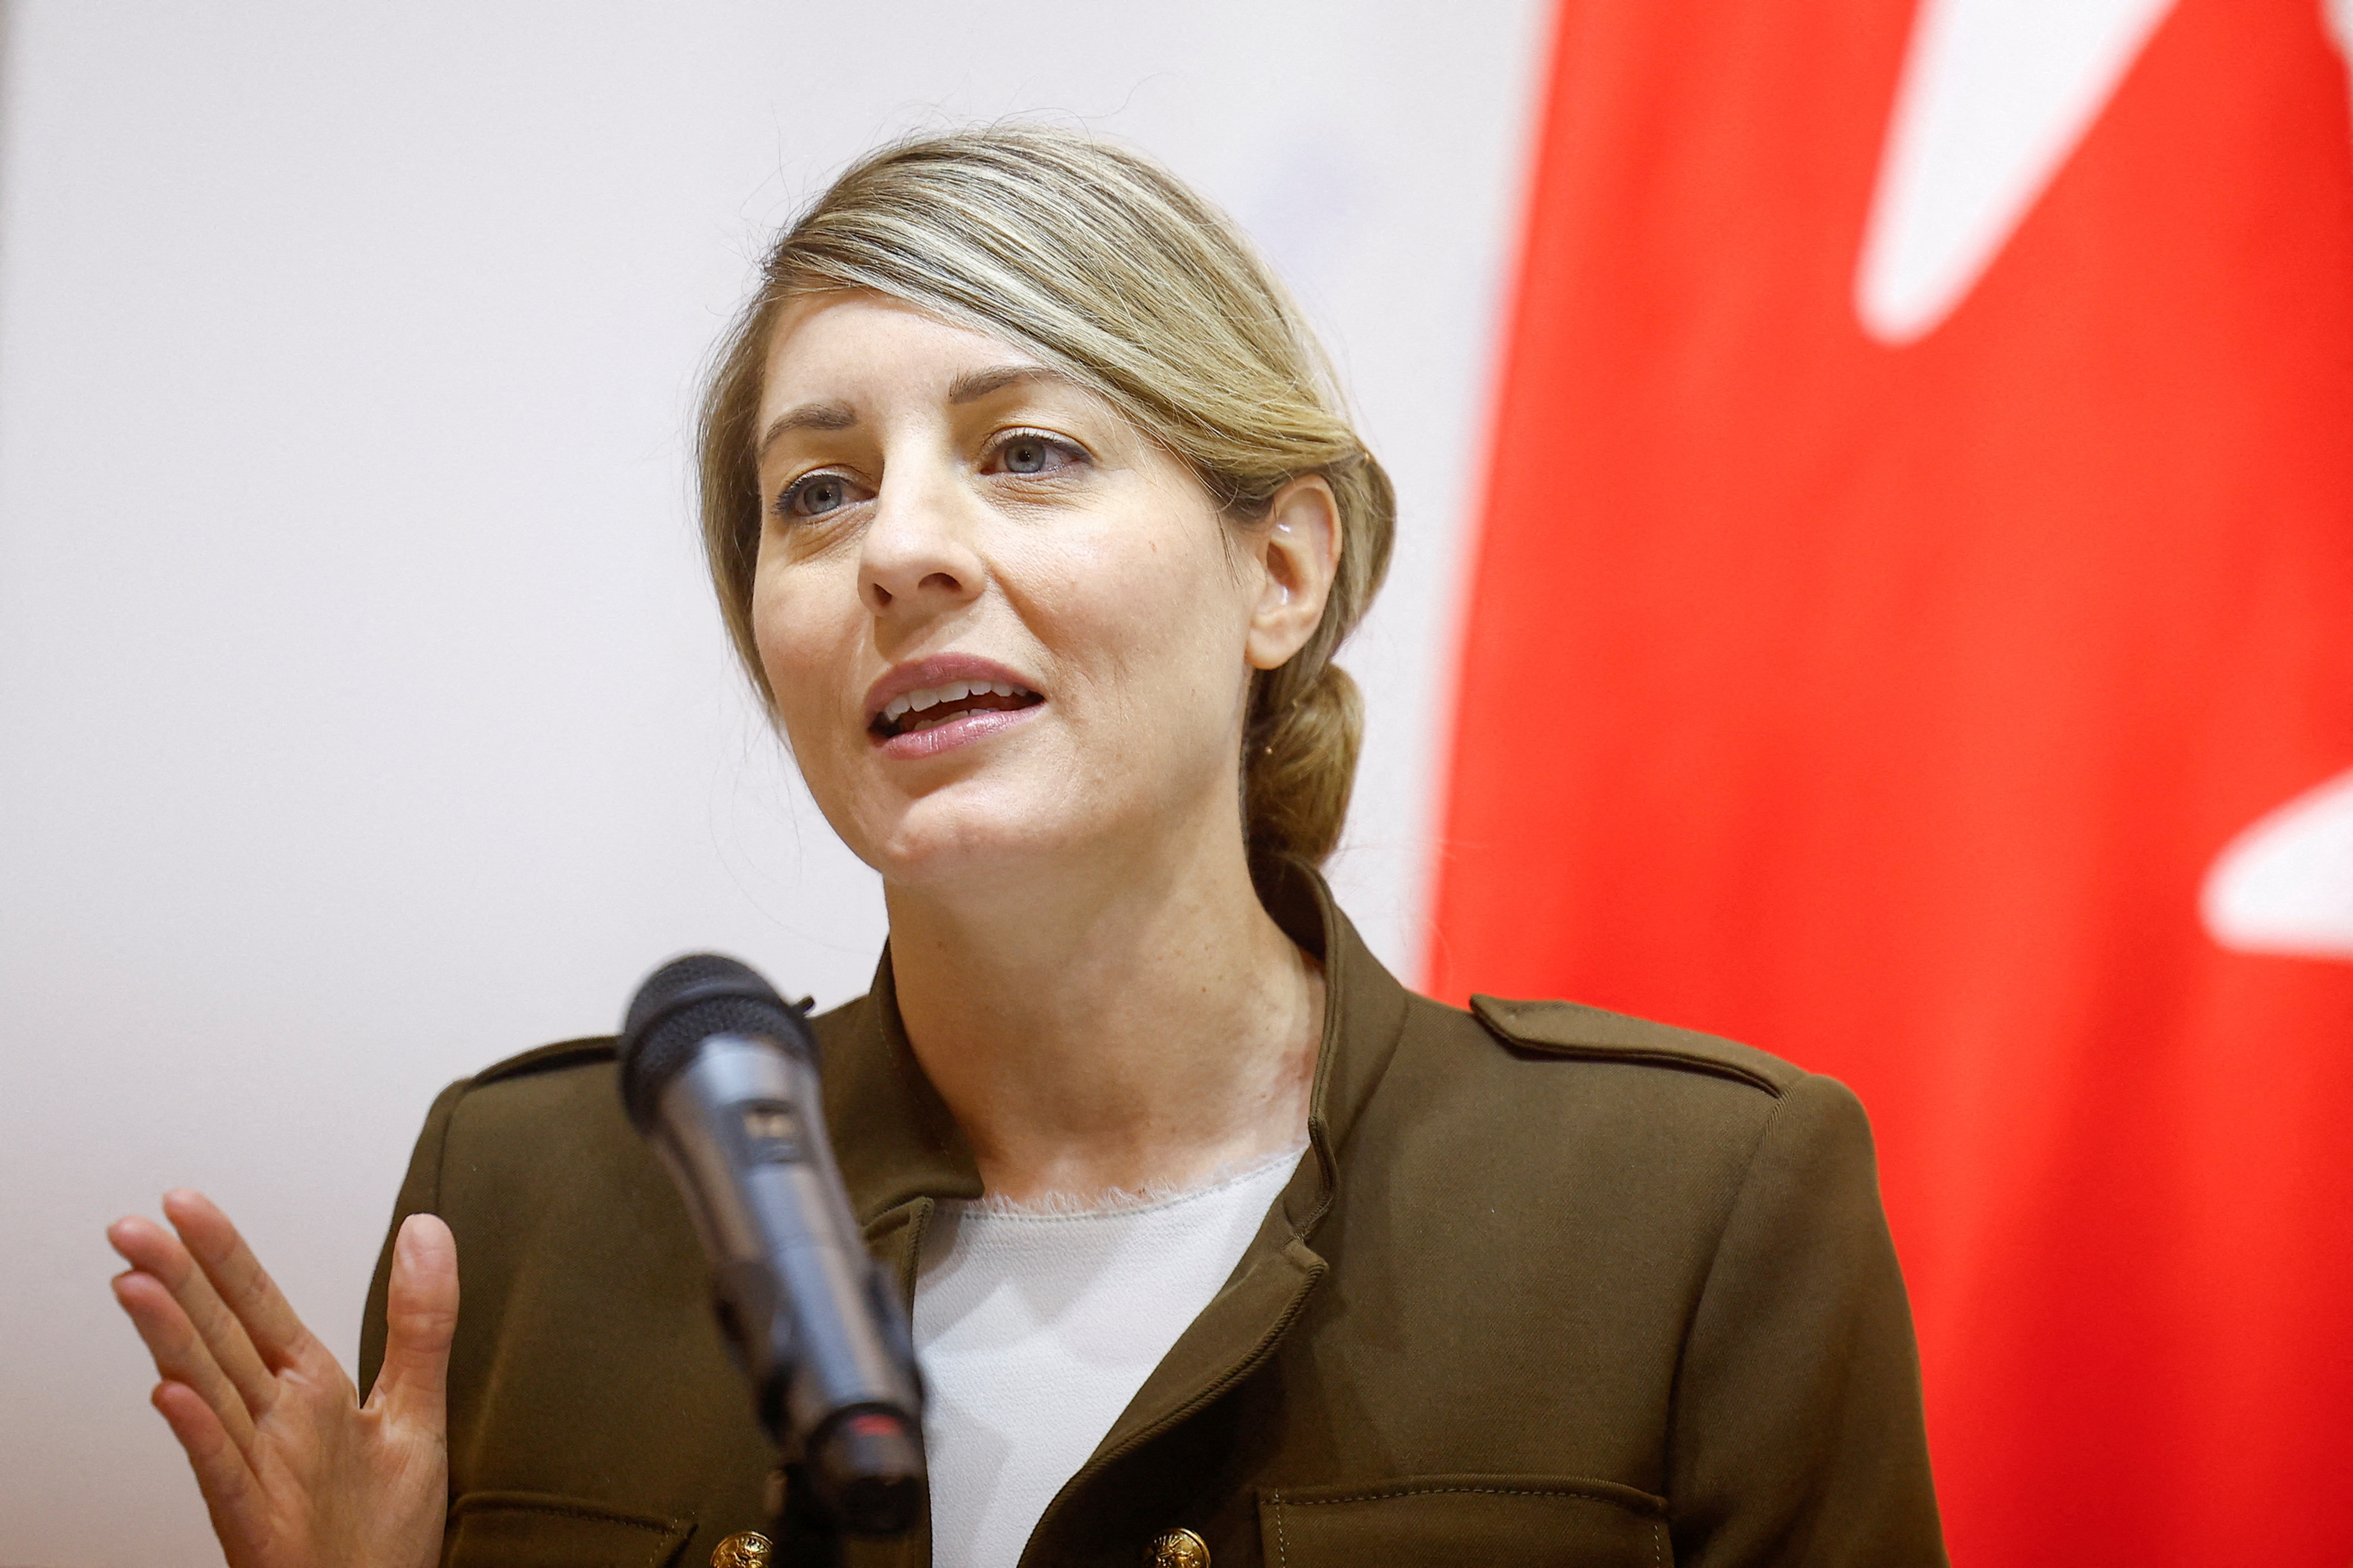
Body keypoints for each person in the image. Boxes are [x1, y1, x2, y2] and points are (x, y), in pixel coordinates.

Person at [106, 125, 1948, 1568]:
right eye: (814, 492)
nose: (899, 547)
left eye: (1030, 453)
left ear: (1281, 571)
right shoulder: (529, 1207)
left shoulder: (1693, 1207)